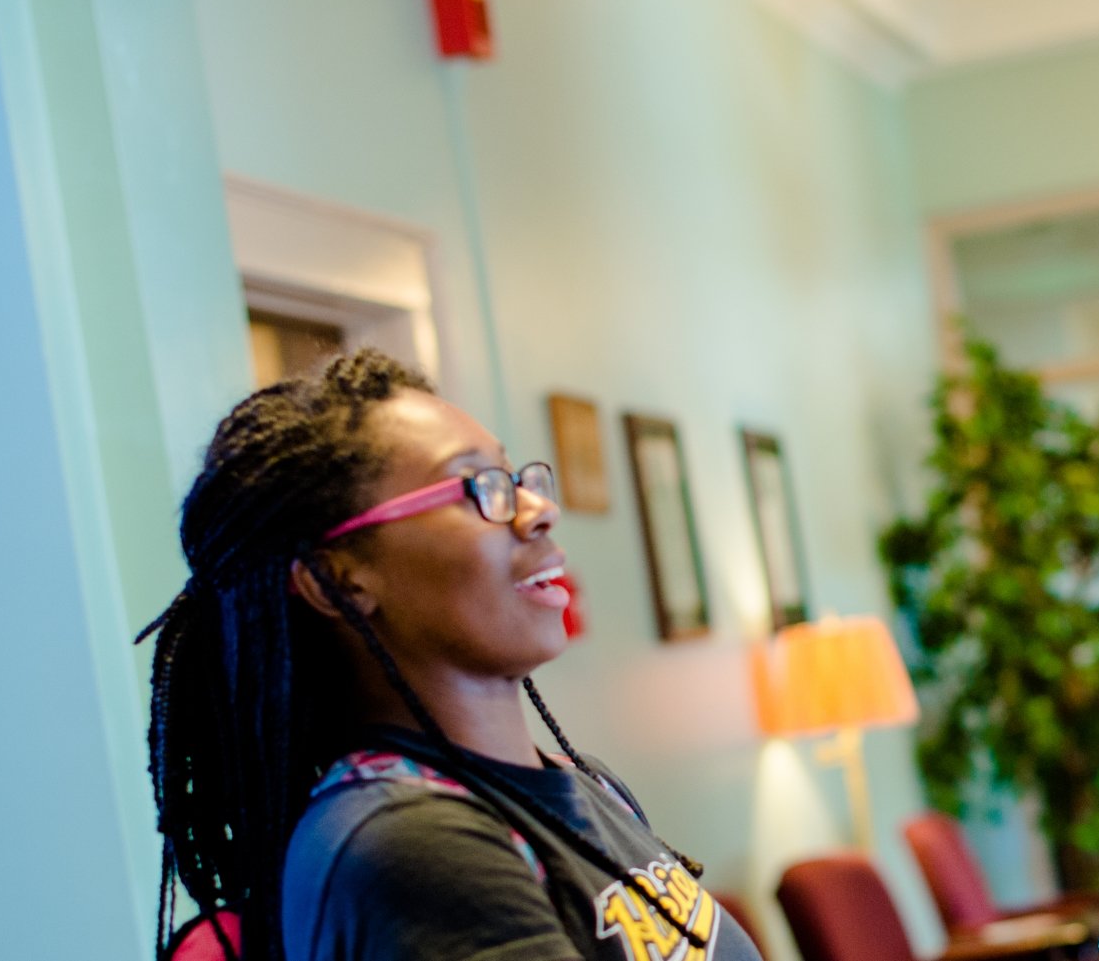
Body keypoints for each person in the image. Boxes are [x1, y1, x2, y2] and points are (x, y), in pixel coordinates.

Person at [140, 349, 760, 961]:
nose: (541, 510)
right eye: (479, 488)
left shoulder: (583, 785)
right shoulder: (410, 844)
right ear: (343, 577)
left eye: (519, 479)